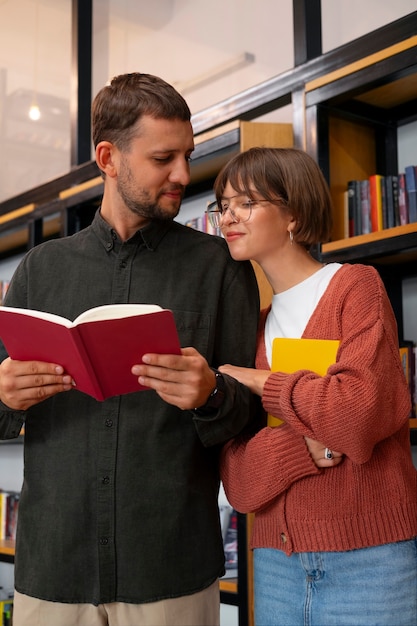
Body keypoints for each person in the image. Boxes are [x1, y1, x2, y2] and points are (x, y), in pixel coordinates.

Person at [0, 73, 262, 626]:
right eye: (164, 158)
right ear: (108, 157)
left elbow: (254, 417)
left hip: (170, 568)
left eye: (187, 155)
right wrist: (5, 395)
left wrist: (212, 394)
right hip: (54, 570)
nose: (184, 175)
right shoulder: (41, 269)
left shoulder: (220, 268)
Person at [207, 147, 417, 626]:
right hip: (276, 566)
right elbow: (238, 482)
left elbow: (359, 416)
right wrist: (306, 446)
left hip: (371, 560)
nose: (228, 217)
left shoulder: (356, 288)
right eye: (223, 205)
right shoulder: (253, 328)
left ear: (293, 214)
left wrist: (264, 382)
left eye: (246, 203)